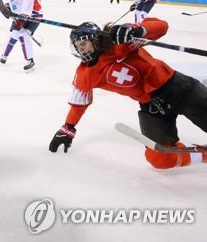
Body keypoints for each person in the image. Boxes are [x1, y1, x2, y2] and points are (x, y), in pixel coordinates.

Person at [49, 19, 207, 170]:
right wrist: (68, 127)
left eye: (83, 43)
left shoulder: (119, 43)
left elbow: (162, 27)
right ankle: (204, 155)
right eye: (77, 46)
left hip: (179, 88)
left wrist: (137, 30)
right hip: (152, 107)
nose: (81, 49)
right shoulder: (84, 74)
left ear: (95, 40)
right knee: (160, 159)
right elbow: (79, 104)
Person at [0, 0, 42, 71]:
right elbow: (10, 1)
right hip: (18, 15)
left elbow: (28, 5)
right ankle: (4, 55)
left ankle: (30, 60)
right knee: (13, 34)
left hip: (34, 14)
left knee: (23, 35)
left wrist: (22, 19)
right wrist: (7, 9)